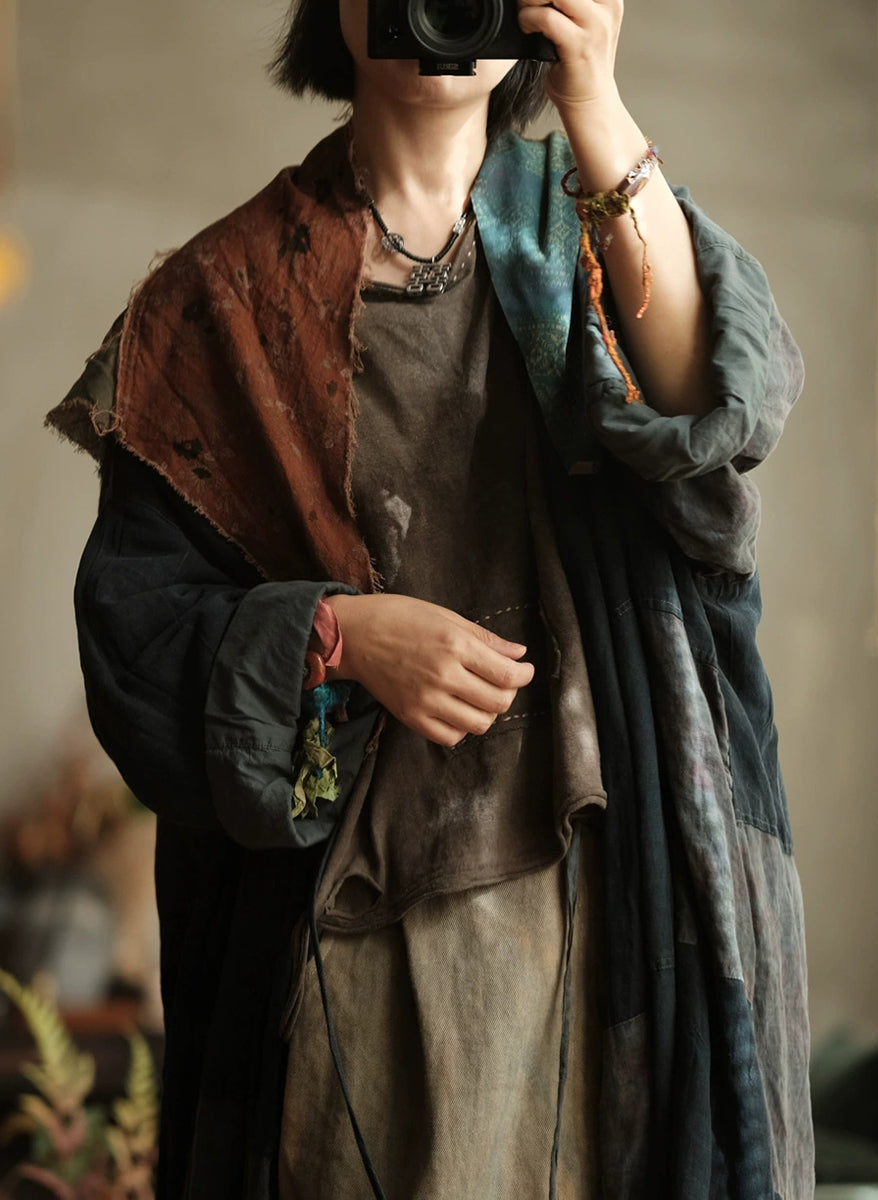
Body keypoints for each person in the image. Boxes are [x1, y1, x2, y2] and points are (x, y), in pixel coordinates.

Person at [45, 0, 814, 1196]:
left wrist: (595, 95)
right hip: (363, 942)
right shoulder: (225, 298)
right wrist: (339, 635)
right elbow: (135, 632)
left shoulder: (596, 222)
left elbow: (702, 405)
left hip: (622, 907)